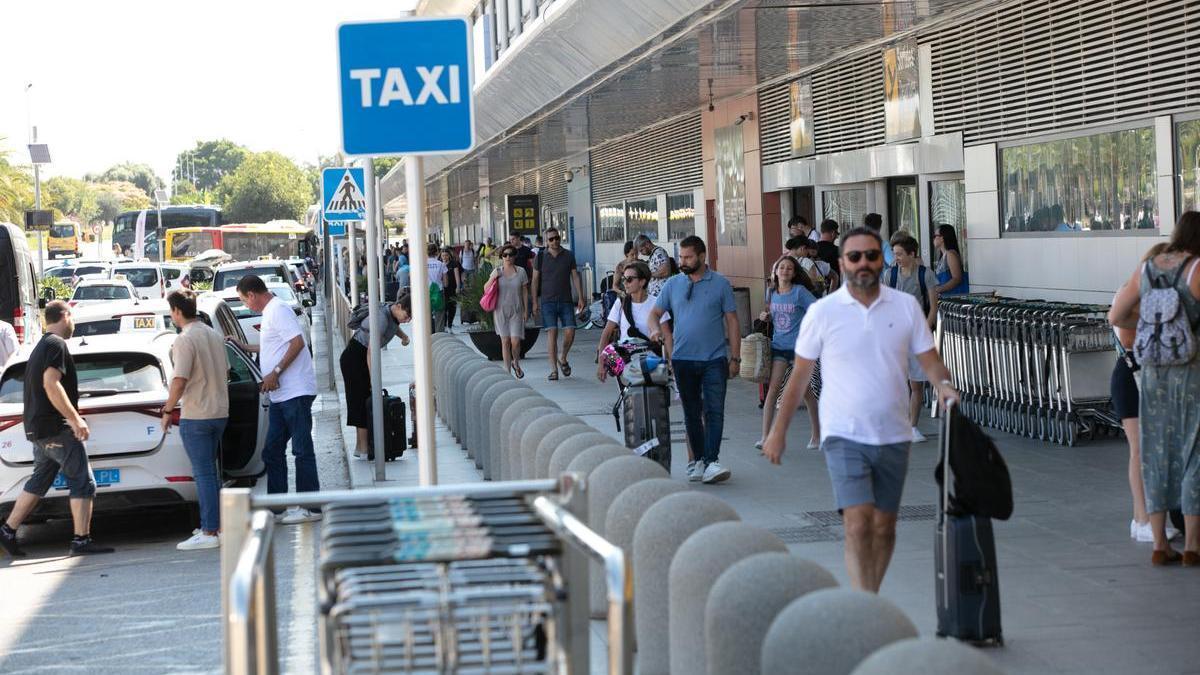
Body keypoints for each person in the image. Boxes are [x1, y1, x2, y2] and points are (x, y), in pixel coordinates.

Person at [763, 227, 959, 592]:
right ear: (842, 264)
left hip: (893, 433)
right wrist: (778, 431)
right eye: (854, 256)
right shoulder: (823, 312)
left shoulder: (905, 307)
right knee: (856, 523)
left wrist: (943, 385)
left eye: (871, 255)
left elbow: (929, 359)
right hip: (843, 433)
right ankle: (864, 600)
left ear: (881, 261)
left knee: (883, 526)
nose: (863, 262)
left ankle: (871, 591)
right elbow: (799, 377)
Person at [1109, 211, 1200, 566]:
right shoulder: (1196, 269)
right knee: (1193, 454)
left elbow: (1116, 317)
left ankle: (1160, 544)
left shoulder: (1148, 268)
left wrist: (1151, 322)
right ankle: (1192, 546)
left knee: (1156, 454)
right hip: (1190, 373)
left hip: (1151, 375)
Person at [0, 301, 114, 557]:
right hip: (56, 428)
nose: (73, 323)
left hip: (39, 429)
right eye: (72, 317)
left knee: (40, 479)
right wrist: (74, 419)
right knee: (83, 482)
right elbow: (51, 384)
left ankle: (7, 530)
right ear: (65, 316)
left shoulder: (40, 346)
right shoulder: (56, 344)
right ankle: (81, 540)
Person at [648, 235, 740, 484]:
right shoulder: (673, 284)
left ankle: (711, 461)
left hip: (715, 359)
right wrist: (655, 330)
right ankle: (697, 460)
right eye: (681, 257)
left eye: (688, 257)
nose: (682, 261)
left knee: (714, 411)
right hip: (682, 359)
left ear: (702, 256)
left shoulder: (720, 283)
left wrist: (735, 357)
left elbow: (732, 321)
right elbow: (654, 314)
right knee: (691, 413)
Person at [230, 275, 321, 524]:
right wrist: (244, 347)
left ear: (252, 294)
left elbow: (297, 343)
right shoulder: (270, 312)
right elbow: (274, 346)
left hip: (295, 392)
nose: (246, 305)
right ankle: (277, 509)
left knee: (301, 449)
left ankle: (311, 507)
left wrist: (276, 372)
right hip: (280, 395)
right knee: (272, 450)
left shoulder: (278, 309)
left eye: (244, 300)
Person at [160, 290, 229, 551]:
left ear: (177, 311)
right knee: (212, 473)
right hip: (219, 412)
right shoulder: (214, 334)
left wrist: (168, 410)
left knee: (203, 474)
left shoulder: (184, 339)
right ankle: (217, 526)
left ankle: (209, 530)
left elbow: (179, 380)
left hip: (197, 413)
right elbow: (226, 371)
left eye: (171, 311)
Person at [757, 256, 818, 450]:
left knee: (806, 392)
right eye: (781, 267)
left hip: (800, 350)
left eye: (789, 268)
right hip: (779, 348)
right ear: (775, 271)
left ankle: (817, 435)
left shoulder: (799, 292)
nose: (785, 271)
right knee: (773, 390)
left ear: (794, 273)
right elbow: (771, 315)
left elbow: (818, 310)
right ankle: (765, 437)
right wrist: (765, 316)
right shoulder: (771, 292)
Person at [340, 295, 411, 457]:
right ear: (399, 306)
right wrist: (374, 380)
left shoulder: (391, 312)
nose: (407, 320)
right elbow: (371, 352)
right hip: (355, 357)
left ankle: (360, 447)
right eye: (407, 316)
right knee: (361, 401)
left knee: (363, 400)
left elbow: (394, 326)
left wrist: (404, 337)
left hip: (358, 355)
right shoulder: (381, 319)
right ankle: (363, 448)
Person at [885, 234, 939, 443]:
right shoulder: (890, 275)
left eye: (899, 254)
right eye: (895, 254)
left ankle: (912, 426)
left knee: (916, 385)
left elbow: (933, 307)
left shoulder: (925, 275)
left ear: (912, 254)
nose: (896, 258)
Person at [596, 261, 672, 381]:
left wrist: (670, 361)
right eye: (623, 279)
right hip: (627, 363)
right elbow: (606, 333)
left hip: (651, 363)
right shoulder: (620, 303)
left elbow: (667, 336)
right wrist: (601, 362)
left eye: (629, 279)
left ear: (642, 282)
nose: (625, 283)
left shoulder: (656, 303)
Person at [531, 227, 586, 380]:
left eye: (557, 238)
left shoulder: (568, 255)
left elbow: (575, 277)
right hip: (547, 301)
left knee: (570, 331)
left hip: (566, 300)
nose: (555, 241)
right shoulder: (540, 257)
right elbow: (535, 281)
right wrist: (534, 302)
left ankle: (563, 357)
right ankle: (554, 370)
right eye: (551, 239)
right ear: (546, 241)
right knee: (552, 333)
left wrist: (581, 297)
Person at [486, 245, 529, 378]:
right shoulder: (497, 271)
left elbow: (525, 291)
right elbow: (486, 289)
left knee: (515, 341)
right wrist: (493, 277)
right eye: (505, 255)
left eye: (510, 254)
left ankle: (515, 362)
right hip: (500, 311)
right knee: (505, 341)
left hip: (516, 310)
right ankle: (508, 372)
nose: (508, 257)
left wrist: (526, 310)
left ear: (514, 256)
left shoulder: (521, 272)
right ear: (501, 257)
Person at [933, 224, 968, 295]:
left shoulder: (950, 254)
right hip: (947, 297)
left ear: (942, 238)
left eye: (935, 236)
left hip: (953, 297)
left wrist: (939, 289)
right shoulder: (944, 256)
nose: (933, 239)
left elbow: (957, 278)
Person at [440, 248, 462, 331]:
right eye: (443, 256)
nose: (444, 257)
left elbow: (457, 276)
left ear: (449, 256)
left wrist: (458, 287)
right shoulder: (440, 264)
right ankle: (444, 325)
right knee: (444, 307)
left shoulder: (454, 264)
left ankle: (449, 325)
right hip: (443, 289)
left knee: (452, 307)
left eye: (446, 255)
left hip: (452, 288)